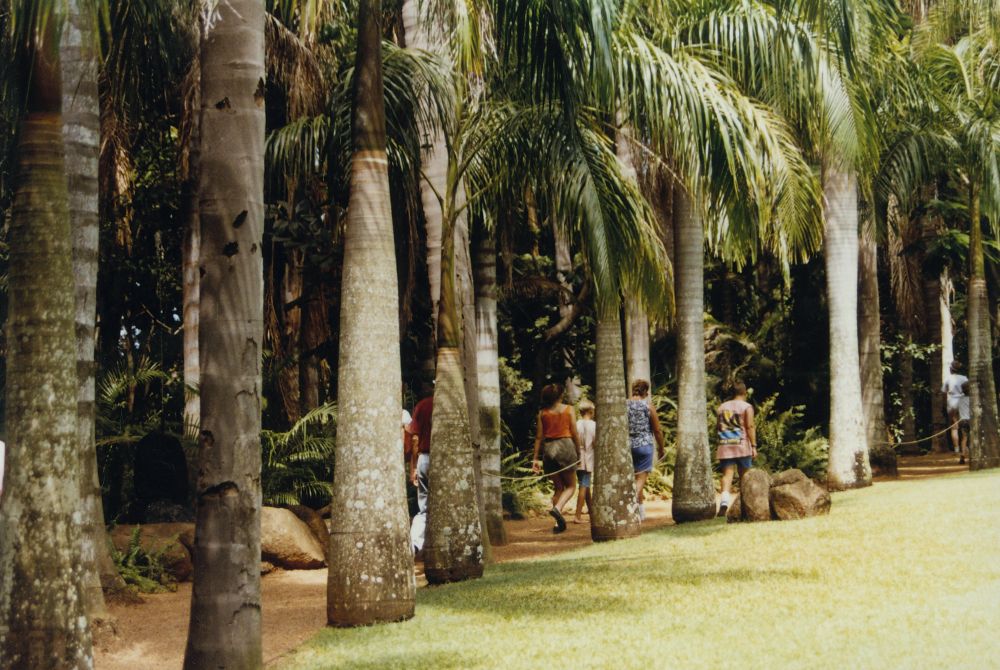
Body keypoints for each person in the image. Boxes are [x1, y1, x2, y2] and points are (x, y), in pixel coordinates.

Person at [532, 383, 581, 533]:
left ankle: (557, 524)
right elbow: (574, 432)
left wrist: (535, 459)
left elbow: (539, 437)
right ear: (560, 396)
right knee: (572, 486)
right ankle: (558, 508)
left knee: (558, 488)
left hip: (549, 449)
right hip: (565, 446)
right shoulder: (569, 409)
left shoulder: (542, 413)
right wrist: (579, 453)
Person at [716, 380, 756, 517]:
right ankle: (745, 504)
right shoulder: (746, 407)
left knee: (727, 476)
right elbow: (750, 427)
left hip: (725, 444)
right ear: (744, 392)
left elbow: (718, 426)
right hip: (742, 445)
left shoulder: (722, 407)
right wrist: (754, 446)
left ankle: (724, 503)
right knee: (745, 476)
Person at [628, 379, 665, 522]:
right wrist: (661, 448)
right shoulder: (648, 406)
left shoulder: (625, 405)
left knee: (634, 479)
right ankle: (630, 507)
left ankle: (641, 510)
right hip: (644, 446)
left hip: (628, 445)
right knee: (640, 480)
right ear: (646, 392)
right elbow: (657, 430)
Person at [406, 382, 434, 552]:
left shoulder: (421, 406)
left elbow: (415, 439)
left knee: (424, 508)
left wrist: (414, 468)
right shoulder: (447, 405)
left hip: (424, 458)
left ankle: (414, 544)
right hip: (441, 459)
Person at [574, 399, 596, 524]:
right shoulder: (593, 425)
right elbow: (595, 443)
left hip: (576, 458)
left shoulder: (576, 424)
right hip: (587, 458)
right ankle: (577, 516)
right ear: (590, 411)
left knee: (585, 485)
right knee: (584, 485)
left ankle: (592, 513)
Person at [942, 361, 969, 458]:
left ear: (951, 369)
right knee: (964, 425)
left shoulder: (948, 379)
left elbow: (944, 393)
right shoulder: (964, 378)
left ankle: (957, 449)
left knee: (954, 427)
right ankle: (964, 448)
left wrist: (944, 405)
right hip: (963, 402)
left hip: (952, 402)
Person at [957, 380, 971, 465]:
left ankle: (962, 456)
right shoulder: (973, 399)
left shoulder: (960, 399)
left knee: (964, 438)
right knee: (972, 437)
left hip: (962, 420)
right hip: (970, 420)